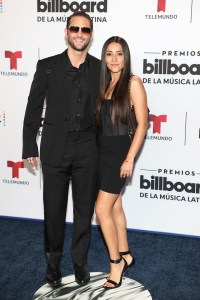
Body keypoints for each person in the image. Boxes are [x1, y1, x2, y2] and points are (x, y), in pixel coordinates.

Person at [22, 11, 101, 287]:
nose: (80, 34)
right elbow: (33, 107)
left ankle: (80, 262)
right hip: (55, 147)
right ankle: (52, 264)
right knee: (53, 211)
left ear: (91, 35)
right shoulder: (47, 66)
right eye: (75, 28)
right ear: (66, 32)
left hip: (88, 148)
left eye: (86, 30)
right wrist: (29, 143)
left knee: (83, 211)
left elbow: (111, 106)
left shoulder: (100, 68)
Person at [95, 36, 148, 289]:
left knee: (102, 209)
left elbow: (142, 126)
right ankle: (126, 253)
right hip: (101, 151)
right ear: (104, 57)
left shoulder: (132, 83)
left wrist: (130, 159)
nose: (114, 59)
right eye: (109, 54)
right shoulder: (104, 83)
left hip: (119, 154)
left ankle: (116, 263)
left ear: (126, 57)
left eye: (119, 54)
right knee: (115, 207)